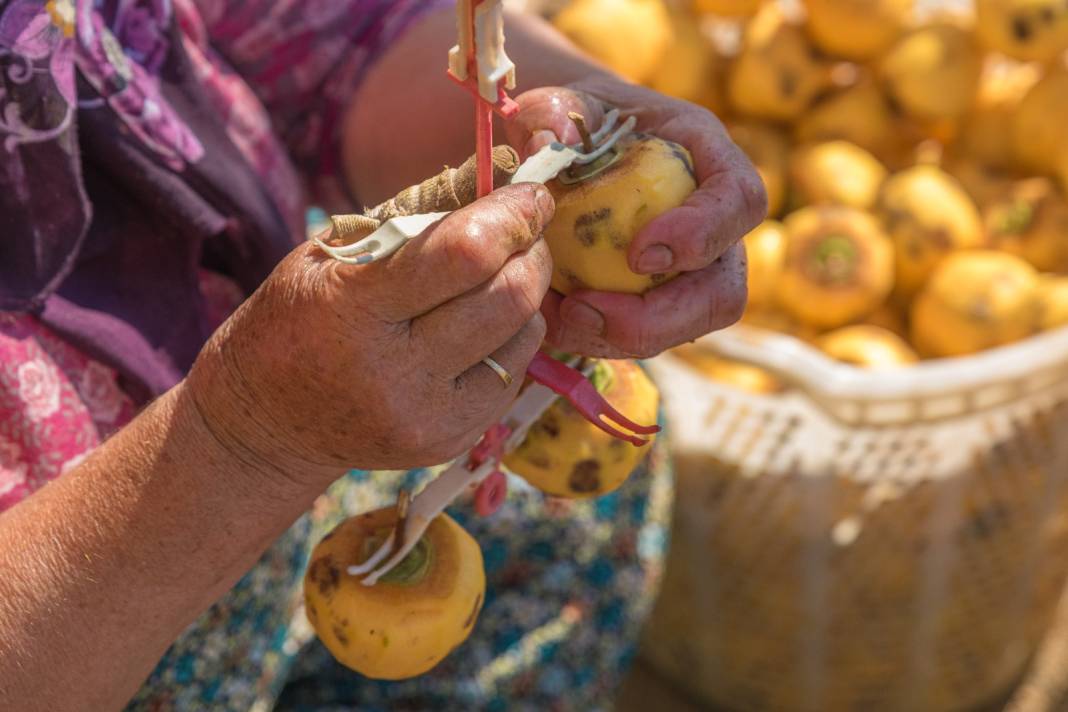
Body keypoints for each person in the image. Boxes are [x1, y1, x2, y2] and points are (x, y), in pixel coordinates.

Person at [0, 1, 764, 710]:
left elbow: (325, 40)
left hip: (308, 433)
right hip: (70, 625)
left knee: (578, 507)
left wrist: (579, 125)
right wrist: (244, 442)